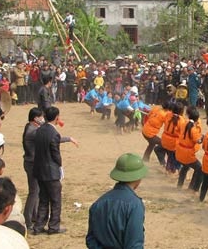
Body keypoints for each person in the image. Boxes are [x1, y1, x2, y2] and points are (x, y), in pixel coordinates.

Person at [32, 106, 78, 235]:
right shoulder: (53, 133)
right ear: (57, 117)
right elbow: (55, 153)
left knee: (43, 199)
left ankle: (39, 226)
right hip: (51, 171)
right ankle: (53, 227)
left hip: (40, 170)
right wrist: (60, 166)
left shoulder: (39, 130)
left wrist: (68, 139)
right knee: (56, 200)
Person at [86, 153, 147, 249]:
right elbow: (134, 244)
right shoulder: (135, 205)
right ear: (138, 178)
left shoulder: (98, 203)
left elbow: (91, 239)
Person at [22, 107, 44, 230]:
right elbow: (49, 137)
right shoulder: (32, 131)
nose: (42, 119)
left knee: (36, 191)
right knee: (34, 192)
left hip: (32, 162)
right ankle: (28, 219)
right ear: (35, 118)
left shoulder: (31, 128)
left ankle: (34, 216)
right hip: (32, 163)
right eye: (40, 117)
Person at [175, 107, 203, 192]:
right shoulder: (193, 129)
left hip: (179, 150)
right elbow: (198, 141)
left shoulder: (184, 123)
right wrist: (203, 138)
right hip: (187, 153)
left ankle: (179, 185)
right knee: (199, 169)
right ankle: (192, 188)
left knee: (185, 167)